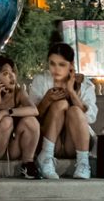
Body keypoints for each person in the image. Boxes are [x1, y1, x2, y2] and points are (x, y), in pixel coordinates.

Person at [26, 44, 98, 179]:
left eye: (62, 64)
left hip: (75, 143)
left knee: (75, 110)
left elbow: (90, 117)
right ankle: (46, 157)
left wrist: (71, 91)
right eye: (52, 64)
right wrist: (47, 100)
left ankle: (83, 163)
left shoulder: (85, 84)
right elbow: (32, 116)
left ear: (71, 65)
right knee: (61, 104)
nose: (56, 69)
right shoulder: (41, 80)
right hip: (50, 140)